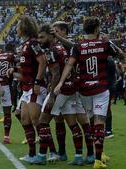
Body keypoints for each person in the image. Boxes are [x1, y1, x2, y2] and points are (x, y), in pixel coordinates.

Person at [54, 17, 125, 169]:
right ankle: (98, 160)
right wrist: (110, 42)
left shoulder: (78, 46)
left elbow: (69, 64)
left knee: (92, 123)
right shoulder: (104, 44)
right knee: (100, 123)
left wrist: (60, 82)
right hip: (100, 88)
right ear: (97, 29)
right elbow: (121, 55)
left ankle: (97, 154)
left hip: (84, 90)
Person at [37, 24, 94, 165]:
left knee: (42, 122)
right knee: (73, 124)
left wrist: (51, 95)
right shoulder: (63, 48)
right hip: (72, 89)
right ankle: (79, 156)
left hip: (60, 92)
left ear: (51, 36)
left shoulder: (51, 51)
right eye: (38, 37)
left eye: (42, 37)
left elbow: (56, 73)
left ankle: (42, 155)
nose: (39, 40)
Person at [53, 21, 95, 163]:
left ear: (64, 31)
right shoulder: (59, 47)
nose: (55, 33)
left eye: (57, 30)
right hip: (70, 87)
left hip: (71, 88)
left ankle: (85, 154)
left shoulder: (72, 45)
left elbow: (73, 47)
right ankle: (65, 152)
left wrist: (57, 38)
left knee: (79, 122)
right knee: (64, 120)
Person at [8, 16, 48, 163]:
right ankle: (32, 154)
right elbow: (27, 68)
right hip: (26, 87)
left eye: (18, 26)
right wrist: (14, 71)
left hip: (34, 87)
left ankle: (43, 155)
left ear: (24, 27)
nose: (16, 29)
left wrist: (37, 82)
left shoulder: (33, 43)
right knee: (24, 119)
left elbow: (42, 61)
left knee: (37, 121)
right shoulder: (25, 45)